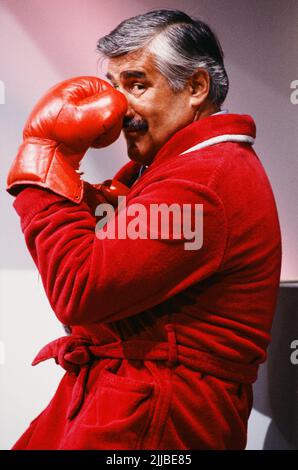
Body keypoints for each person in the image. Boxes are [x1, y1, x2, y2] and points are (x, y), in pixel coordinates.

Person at [7, 9, 281, 450]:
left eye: (137, 85)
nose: (119, 108)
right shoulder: (173, 171)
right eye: (114, 86)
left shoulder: (203, 181)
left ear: (195, 88)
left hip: (159, 420)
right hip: (131, 398)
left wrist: (46, 159)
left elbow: (80, 288)